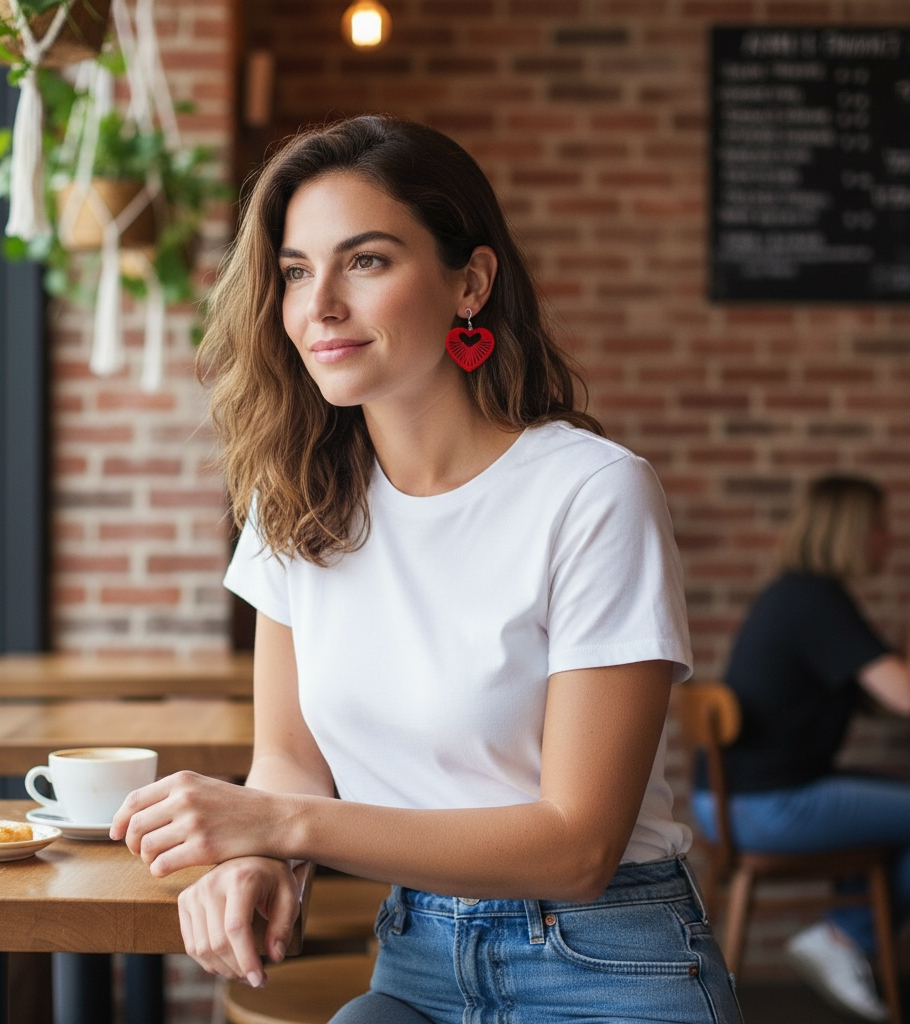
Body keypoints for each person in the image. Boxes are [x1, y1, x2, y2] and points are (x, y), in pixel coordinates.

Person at [110, 114, 743, 1024]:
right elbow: (289, 759)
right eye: (294, 272)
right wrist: (257, 857)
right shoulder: (294, 500)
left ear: (470, 283)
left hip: (607, 960)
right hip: (416, 957)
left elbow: (578, 847)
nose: (319, 304)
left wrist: (281, 828)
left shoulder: (593, 493)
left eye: (365, 261)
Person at [691, 474, 910, 1022]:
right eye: (880, 526)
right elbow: (903, 696)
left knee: (892, 796)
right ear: (852, 531)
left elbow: (874, 694)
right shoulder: (817, 601)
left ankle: (847, 939)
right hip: (764, 810)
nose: (889, 538)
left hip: (733, 803)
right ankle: (845, 937)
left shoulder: (798, 596)